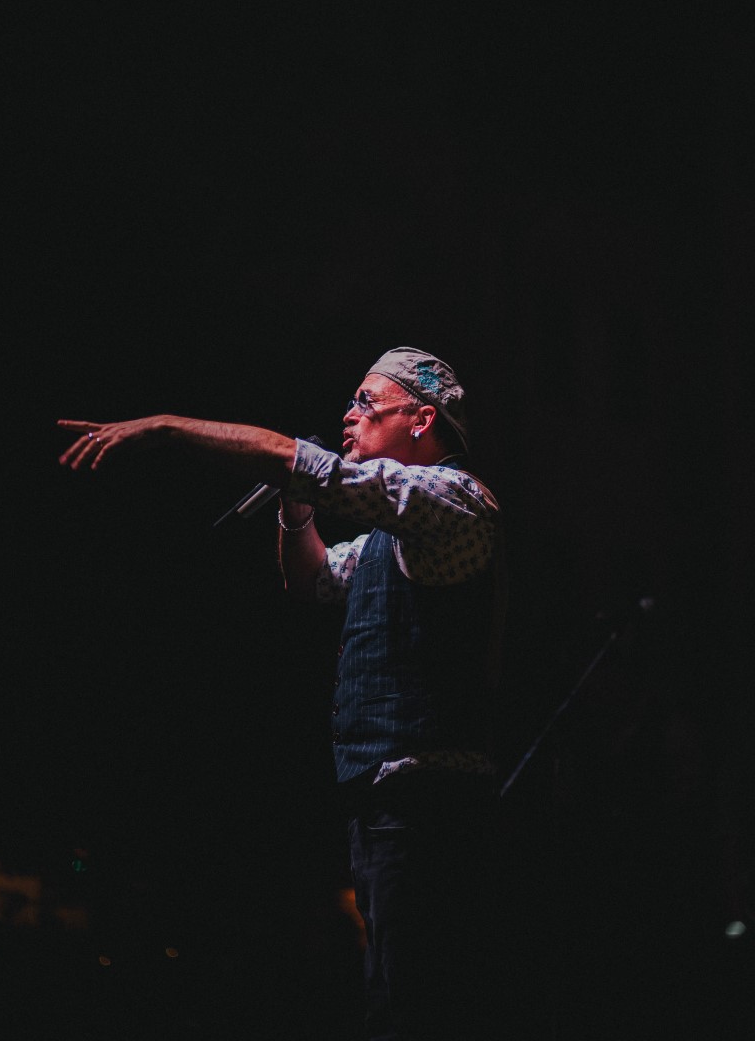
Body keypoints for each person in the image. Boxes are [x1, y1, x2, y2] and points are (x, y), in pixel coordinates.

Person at [59, 347, 512, 1040]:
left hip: (430, 802)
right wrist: (296, 513)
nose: (348, 414)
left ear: (422, 420)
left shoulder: (453, 500)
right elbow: (314, 579)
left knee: (415, 1003)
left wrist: (168, 427)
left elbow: (316, 468)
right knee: (396, 991)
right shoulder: (392, 538)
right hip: (388, 796)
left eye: (366, 402)